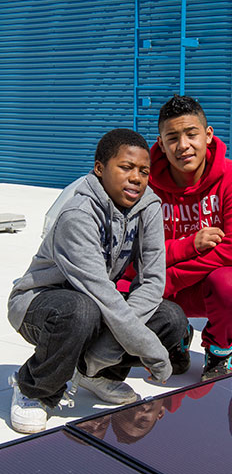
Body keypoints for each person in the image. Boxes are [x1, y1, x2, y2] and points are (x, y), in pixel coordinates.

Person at [7, 128, 189, 434]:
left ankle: (94, 373)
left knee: (170, 318)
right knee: (80, 311)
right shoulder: (78, 213)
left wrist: (100, 354)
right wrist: (151, 350)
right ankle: (33, 388)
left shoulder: (148, 208)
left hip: (93, 303)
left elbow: (152, 282)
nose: (136, 178)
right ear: (100, 168)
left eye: (144, 171)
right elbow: (103, 295)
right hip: (40, 304)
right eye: (126, 167)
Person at [148, 94, 232, 381]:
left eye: (191, 134)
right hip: (167, 282)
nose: (182, 146)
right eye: (171, 137)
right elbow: (138, 253)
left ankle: (220, 351)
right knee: (123, 284)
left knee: (230, 283)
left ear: (208, 135)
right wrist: (189, 245)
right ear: (160, 143)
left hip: (185, 280)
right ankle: (175, 333)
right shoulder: (146, 183)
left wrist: (169, 277)